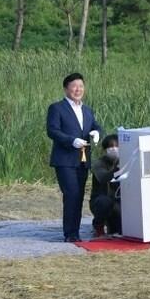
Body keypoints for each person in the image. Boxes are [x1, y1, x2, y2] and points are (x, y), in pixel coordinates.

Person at [47, 72, 101, 242]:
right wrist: (71, 141)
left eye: (81, 86)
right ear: (66, 89)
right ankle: (70, 234)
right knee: (71, 193)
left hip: (83, 159)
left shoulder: (87, 109)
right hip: (65, 159)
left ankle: (75, 231)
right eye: (74, 86)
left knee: (78, 196)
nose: (78, 89)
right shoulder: (57, 108)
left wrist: (97, 132)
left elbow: (95, 125)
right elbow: (52, 131)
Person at [89, 134, 123, 237]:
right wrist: (117, 169)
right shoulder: (98, 164)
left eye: (116, 146)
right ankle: (98, 225)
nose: (114, 149)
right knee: (104, 202)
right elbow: (103, 178)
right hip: (101, 200)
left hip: (118, 201)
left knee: (117, 231)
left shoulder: (123, 160)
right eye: (110, 147)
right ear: (105, 149)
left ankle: (112, 226)